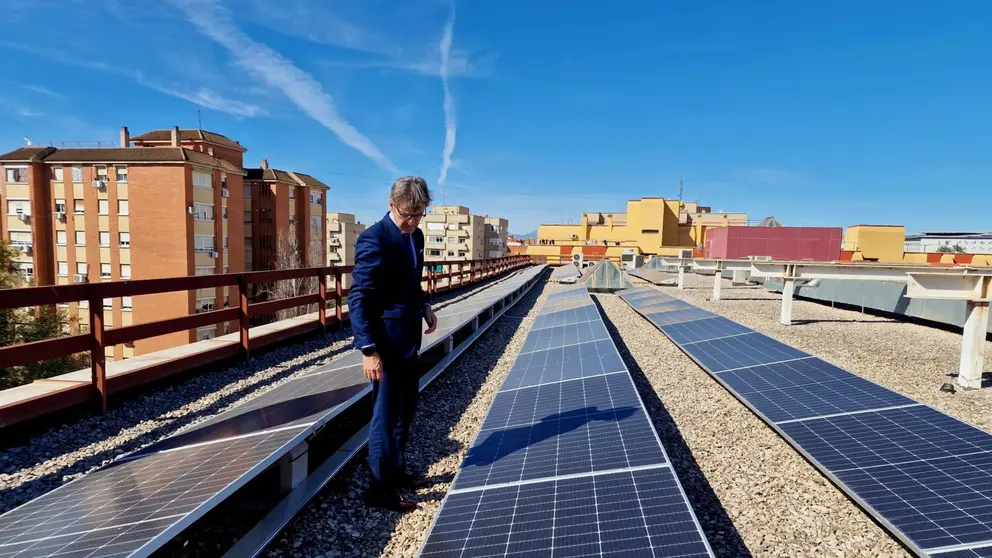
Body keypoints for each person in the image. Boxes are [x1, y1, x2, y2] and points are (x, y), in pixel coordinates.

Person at [349, 176, 438, 512]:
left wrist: (425, 305)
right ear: (391, 206)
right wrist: (368, 350)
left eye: (419, 215)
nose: (413, 222)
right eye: (407, 215)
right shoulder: (375, 239)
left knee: (406, 409)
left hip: (408, 339)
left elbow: (411, 281)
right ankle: (379, 489)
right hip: (384, 344)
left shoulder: (415, 237)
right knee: (383, 417)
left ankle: (398, 472)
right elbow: (359, 297)